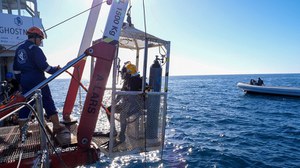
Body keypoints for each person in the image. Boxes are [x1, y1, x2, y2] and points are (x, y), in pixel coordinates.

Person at [13, 26, 68, 137]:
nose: (41, 42)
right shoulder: (35, 49)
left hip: (25, 81)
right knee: (48, 100)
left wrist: (21, 82)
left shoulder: (19, 49)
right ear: (35, 37)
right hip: (38, 81)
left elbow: (16, 70)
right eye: (41, 39)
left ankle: (23, 132)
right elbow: (45, 67)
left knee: (26, 105)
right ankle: (57, 126)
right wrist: (55, 70)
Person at [106, 62, 143, 144]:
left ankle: (122, 136)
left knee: (123, 114)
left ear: (129, 72)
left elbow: (141, 96)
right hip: (126, 104)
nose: (122, 75)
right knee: (109, 110)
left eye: (124, 72)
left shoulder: (138, 81)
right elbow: (122, 92)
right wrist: (115, 102)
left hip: (136, 106)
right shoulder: (127, 81)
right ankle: (113, 131)